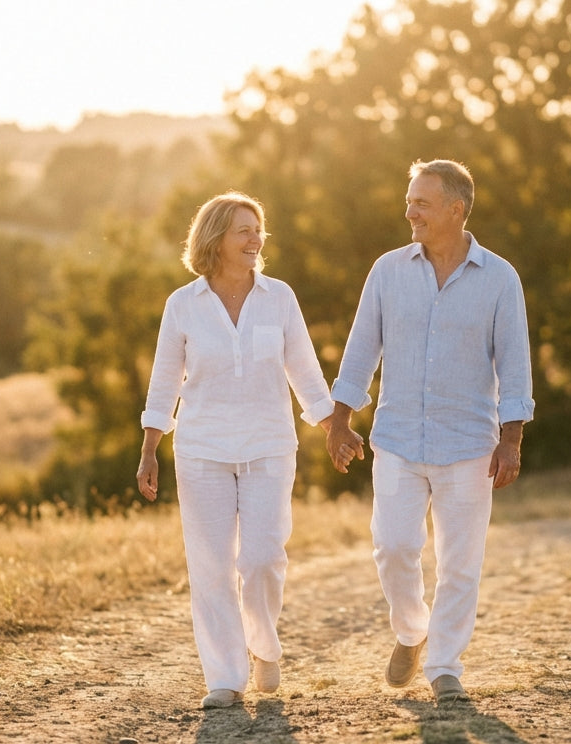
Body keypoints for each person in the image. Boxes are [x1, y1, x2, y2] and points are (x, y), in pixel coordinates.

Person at [325, 159, 534, 704]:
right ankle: (411, 631)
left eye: (421, 202)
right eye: (409, 200)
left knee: (460, 562)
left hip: (469, 445)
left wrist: (512, 439)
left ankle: (444, 666)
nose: (409, 211)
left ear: (455, 209)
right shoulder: (388, 271)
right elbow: (360, 348)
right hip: (396, 438)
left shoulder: (499, 278)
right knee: (392, 547)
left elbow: (514, 363)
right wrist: (340, 420)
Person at [137, 191, 335, 710]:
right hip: (202, 450)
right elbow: (163, 382)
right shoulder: (183, 304)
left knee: (264, 557)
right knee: (210, 566)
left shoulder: (279, 297)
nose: (256, 239)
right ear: (215, 239)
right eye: (243, 230)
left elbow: (305, 371)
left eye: (258, 229)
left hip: (270, 444)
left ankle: (263, 645)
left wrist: (333, 424)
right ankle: (225, 677)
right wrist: (150, 448)